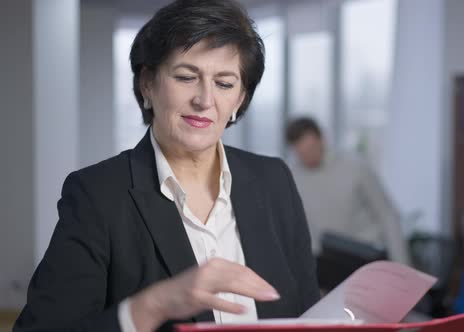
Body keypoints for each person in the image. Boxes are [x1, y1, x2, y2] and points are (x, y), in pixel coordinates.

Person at [14, 1, 319, 331]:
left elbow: (308, 315)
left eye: (225, 83)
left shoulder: (274, 180)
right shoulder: (98, 195)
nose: (204, 100)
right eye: (186, 77)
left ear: (240, 99)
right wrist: (152, 306)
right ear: (148, 84)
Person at [285, 117, 409, 265]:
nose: (308, 157)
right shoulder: (292, 176)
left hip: (367, 257)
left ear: (322, 139)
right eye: (301, 153)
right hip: (328, 261)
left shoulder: (356, 168)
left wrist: (402, 266)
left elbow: (387, 215)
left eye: (311, 148)